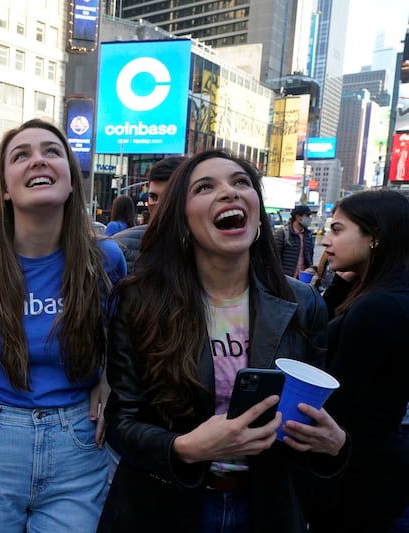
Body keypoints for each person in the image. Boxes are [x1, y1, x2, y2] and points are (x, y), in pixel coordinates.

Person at [98, 150, 348, 533]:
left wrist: (333, 446)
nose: (229, 193)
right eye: (205, 187)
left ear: (257, 212)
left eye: (241, 182)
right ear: (182, 219)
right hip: (163, 507)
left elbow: (316, 420)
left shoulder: (303, 304)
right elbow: (121, 421)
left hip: (266, 509)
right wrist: (185, 448)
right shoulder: (139, 300)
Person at [0, 119, 126, 532]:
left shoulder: (106, 260)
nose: (38, 160)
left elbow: (120, 338)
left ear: (71, 182)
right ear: (4, 187)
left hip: (80, 447)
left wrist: (108, 378)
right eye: (21, 155)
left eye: (52, 152)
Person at [310, 190, 409, 532]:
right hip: (376, 463)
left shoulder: (378, 307)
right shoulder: (388, 294)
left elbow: (333, 398)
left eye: (337, 230)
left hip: (356, 473)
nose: (326, 241)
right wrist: (342, 281)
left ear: (374, 238)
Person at [112, 156, 186, 271]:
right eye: (153, 197)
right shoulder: (119, 248)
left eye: (168, 197)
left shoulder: (212, 249)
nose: (159, 204)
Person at [275, 205, 315, 279]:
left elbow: (310, 256)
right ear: (298, 217)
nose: (309, 218)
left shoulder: (308, 235)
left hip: (302, 280)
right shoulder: (283, 233)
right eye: (307, 216)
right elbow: (274, 257)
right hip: (285, 279)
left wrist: (311, 268)